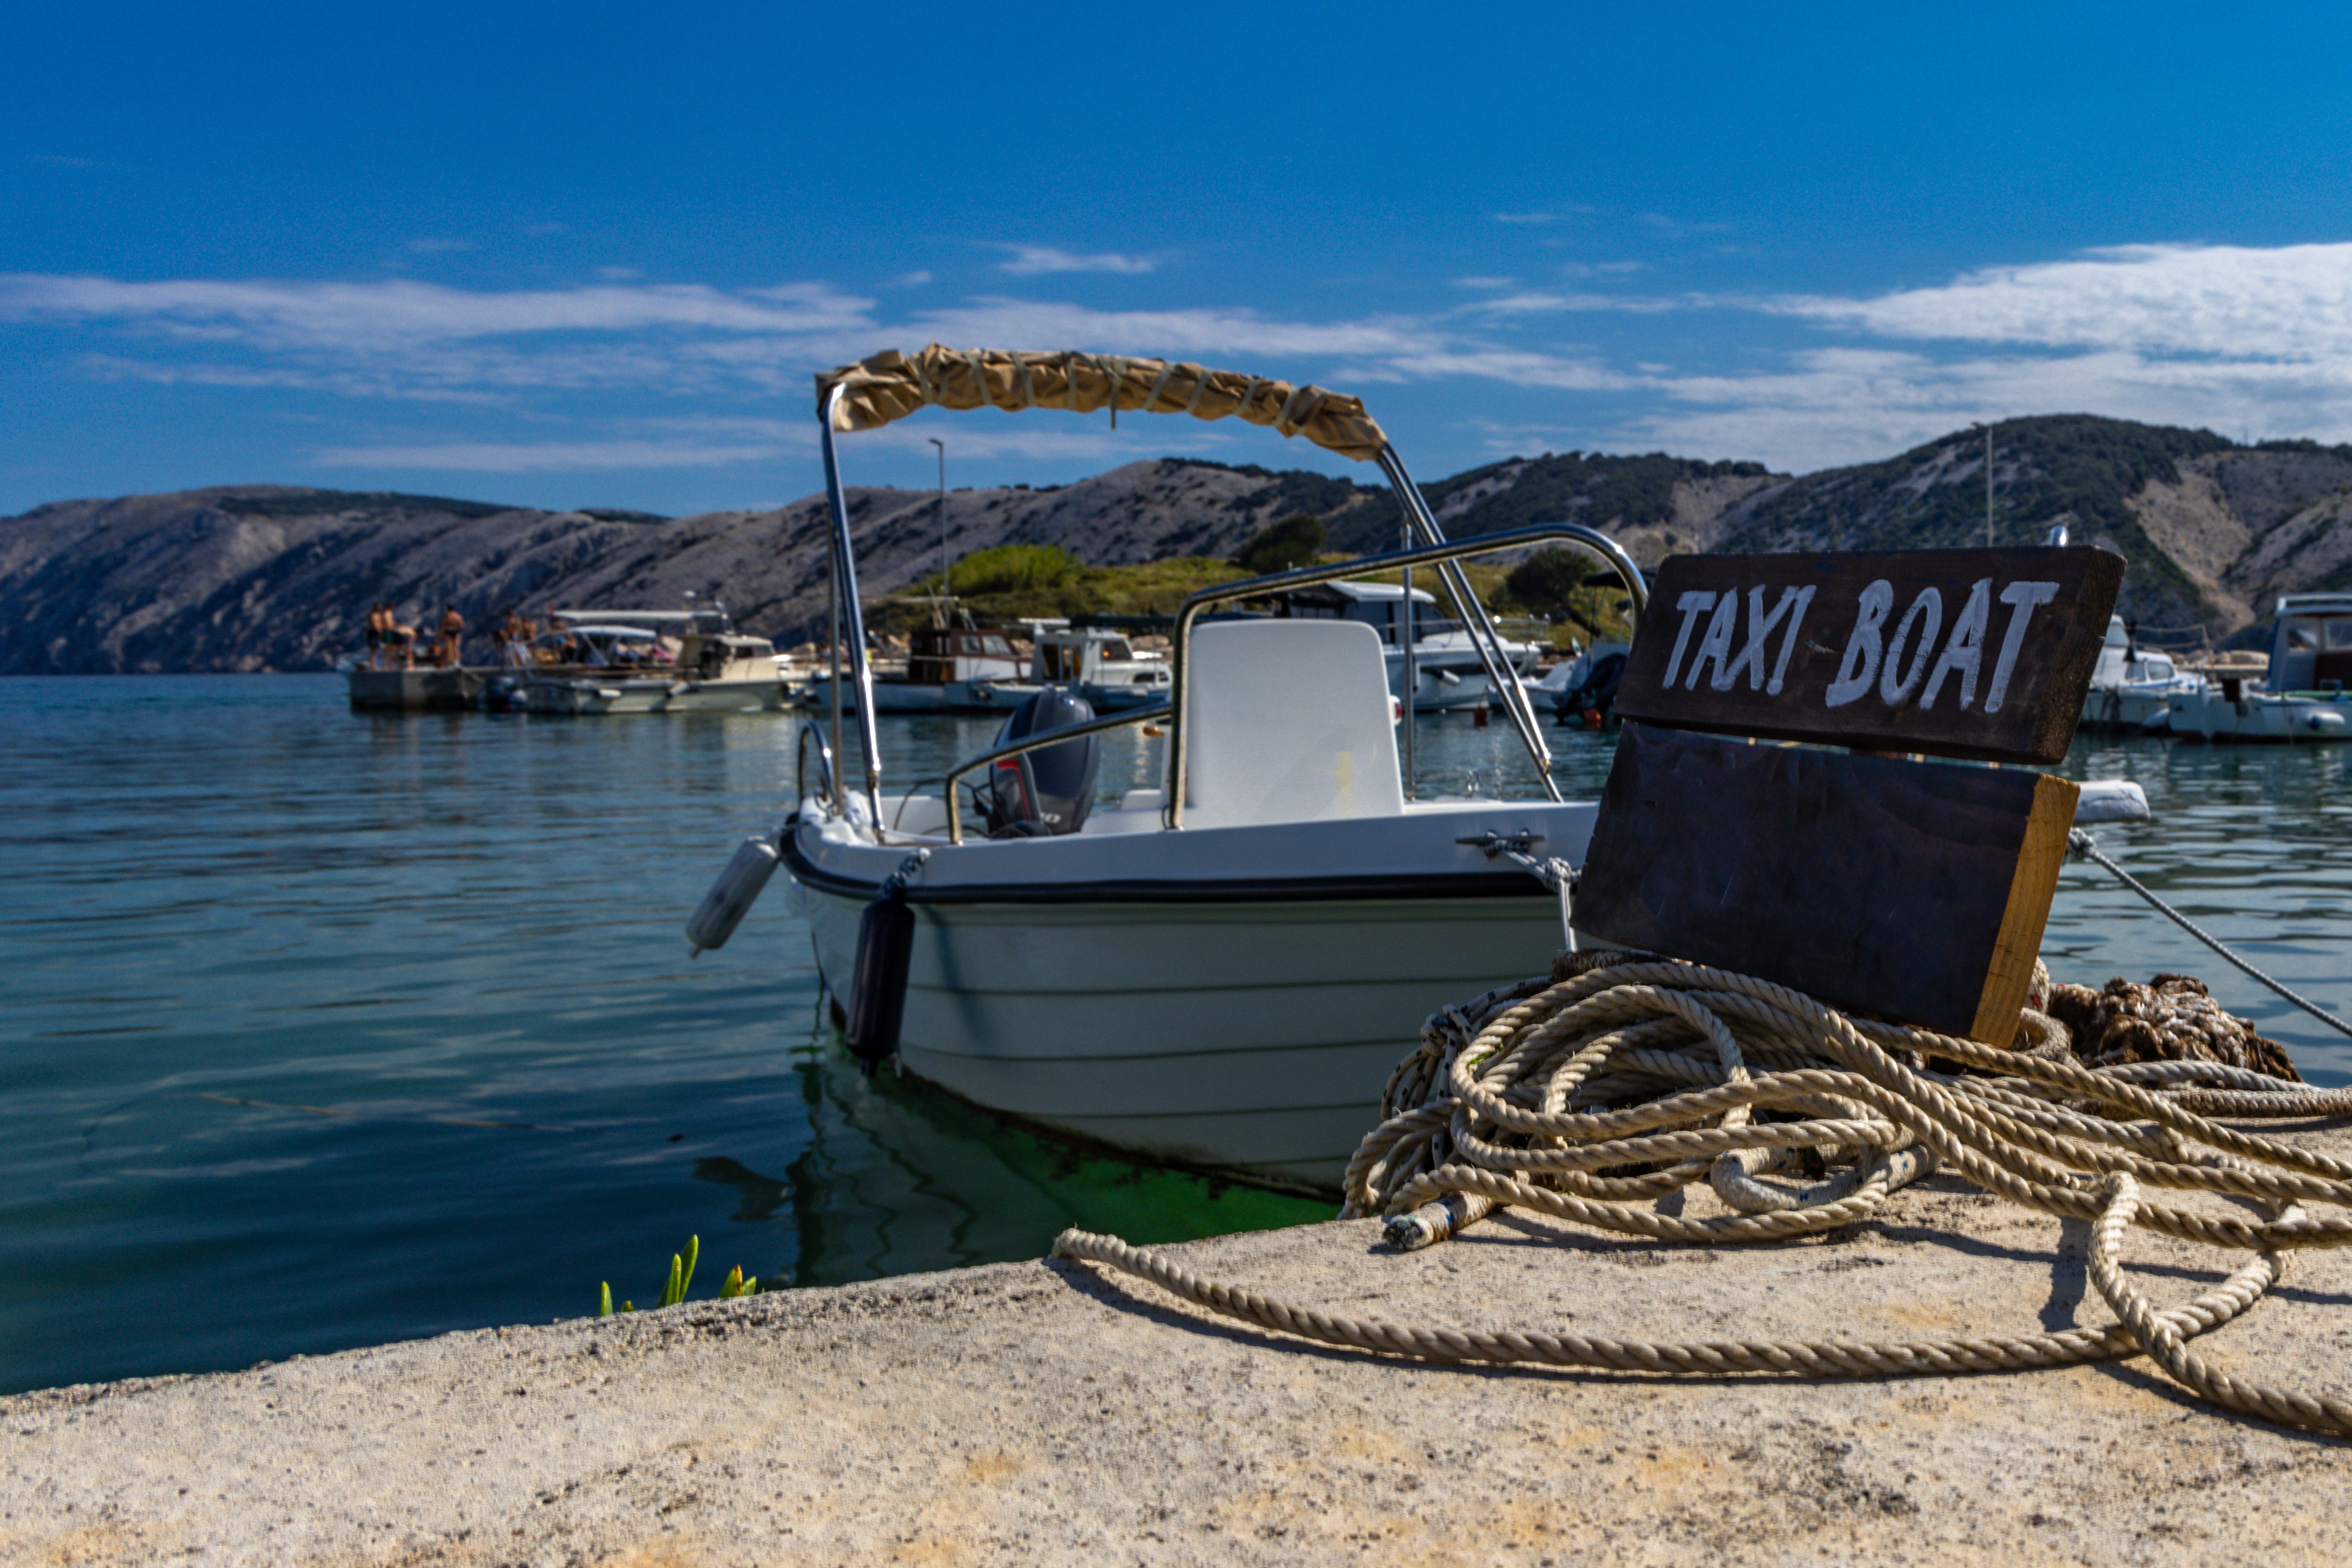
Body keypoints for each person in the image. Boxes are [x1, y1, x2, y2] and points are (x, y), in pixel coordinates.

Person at [438, 604, 465, 668]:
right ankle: (457, 662)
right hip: (456, 632)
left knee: (450, 647)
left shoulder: (447, 616)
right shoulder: (458, 616)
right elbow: (462, 625)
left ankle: (451, 662)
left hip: (448, 633)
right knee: (456, 647)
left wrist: (440, 635)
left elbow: (443, 626)